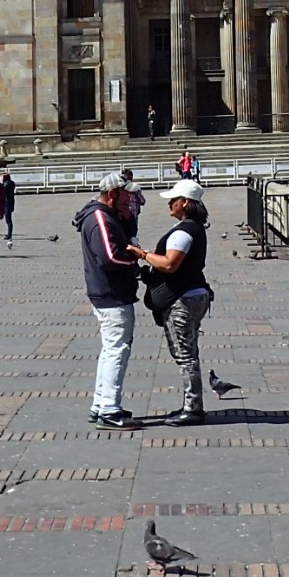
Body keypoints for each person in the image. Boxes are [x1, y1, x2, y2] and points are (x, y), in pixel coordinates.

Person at [134, 181, 213, 426]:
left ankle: (193, 408)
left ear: (185, 203)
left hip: (183, 298)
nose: (170, 203)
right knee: (189, 351)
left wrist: (143, 254)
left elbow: (170, 264)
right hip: (195, 293)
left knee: (185, 354)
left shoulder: (183, 231)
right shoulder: (194, 228)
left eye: (174, 199)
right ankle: (191, 405)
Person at [74, 171, 142, 429]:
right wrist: (137, 257)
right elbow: (110, 258)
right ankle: (110, 411)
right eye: (126, 197)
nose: (130, 201)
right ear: (112, 194)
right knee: (117, 351)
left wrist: (127, 222)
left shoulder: (109, 215)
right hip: (111, 293)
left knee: (110, 349)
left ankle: (101, 404)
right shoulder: (100, 218)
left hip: (109, 292)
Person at [0, 170, 17, 243]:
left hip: (7, 204)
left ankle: (9, 234)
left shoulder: (5, 185)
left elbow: (2, 192)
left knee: (8, 220)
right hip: (11, 202)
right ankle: (9, 234)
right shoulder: (12, 183)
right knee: (9, 219)